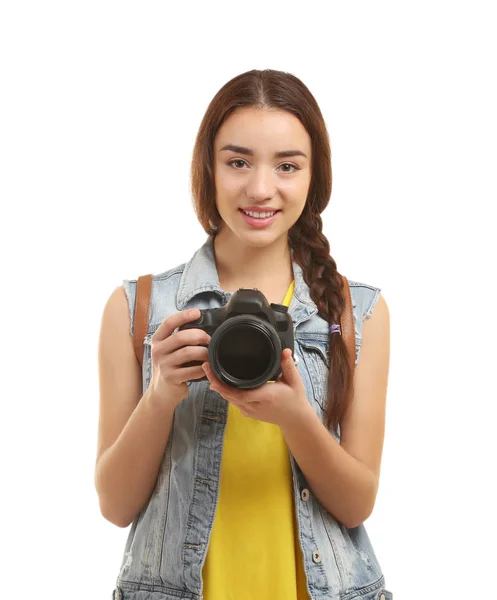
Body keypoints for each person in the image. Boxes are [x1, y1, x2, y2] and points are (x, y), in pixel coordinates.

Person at [95, 68, 392, 600]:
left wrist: (297, 418)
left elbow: (357, 504)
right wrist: (162, 394)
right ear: (207, 170)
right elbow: (115, 507)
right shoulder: (138, 309)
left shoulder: (353, 312)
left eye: (286, 165)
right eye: (237, 162)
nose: (260, 188)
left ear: (314, 177)